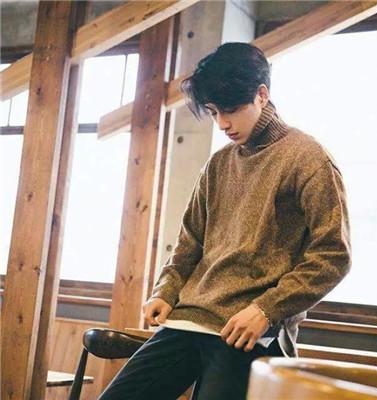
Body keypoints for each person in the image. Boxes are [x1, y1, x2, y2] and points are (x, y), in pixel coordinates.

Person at [99, 42, 351, 400]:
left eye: (231, 110)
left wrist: (266, 309)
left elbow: (333, 256)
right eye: (214, 112)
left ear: (262, 95)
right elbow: (190, 241)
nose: (222, 124)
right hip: (189, 320)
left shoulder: (308, 159)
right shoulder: (219, 163)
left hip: (250, 329)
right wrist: (166, 290)